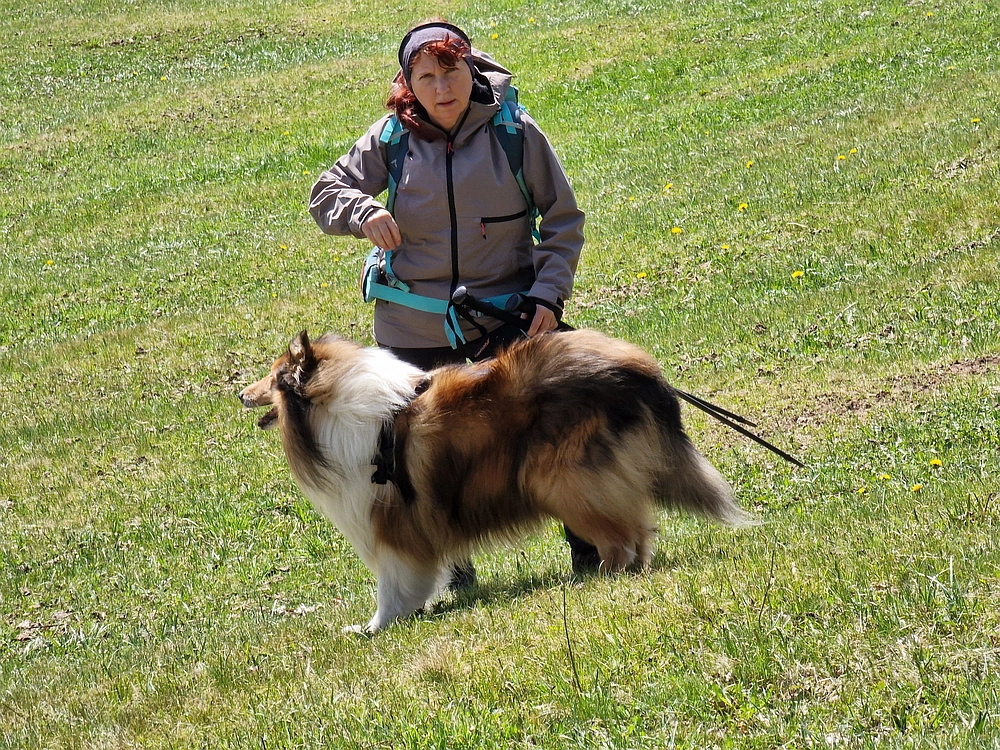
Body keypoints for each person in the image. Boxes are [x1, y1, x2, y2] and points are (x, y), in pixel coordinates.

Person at [308, 20, 600, 581]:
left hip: (504, 312)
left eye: (451, 71)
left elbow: (563, 221)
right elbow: (326, 192)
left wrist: (547, 295)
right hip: (411, 318)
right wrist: (362, 212)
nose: (442, 88)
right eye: (427, 77)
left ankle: (591, 549)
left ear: (471, 68)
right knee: (416, 448)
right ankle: (452, 573)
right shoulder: (390, 138)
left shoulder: (515, 132)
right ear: (408, 83)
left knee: (555, 422)